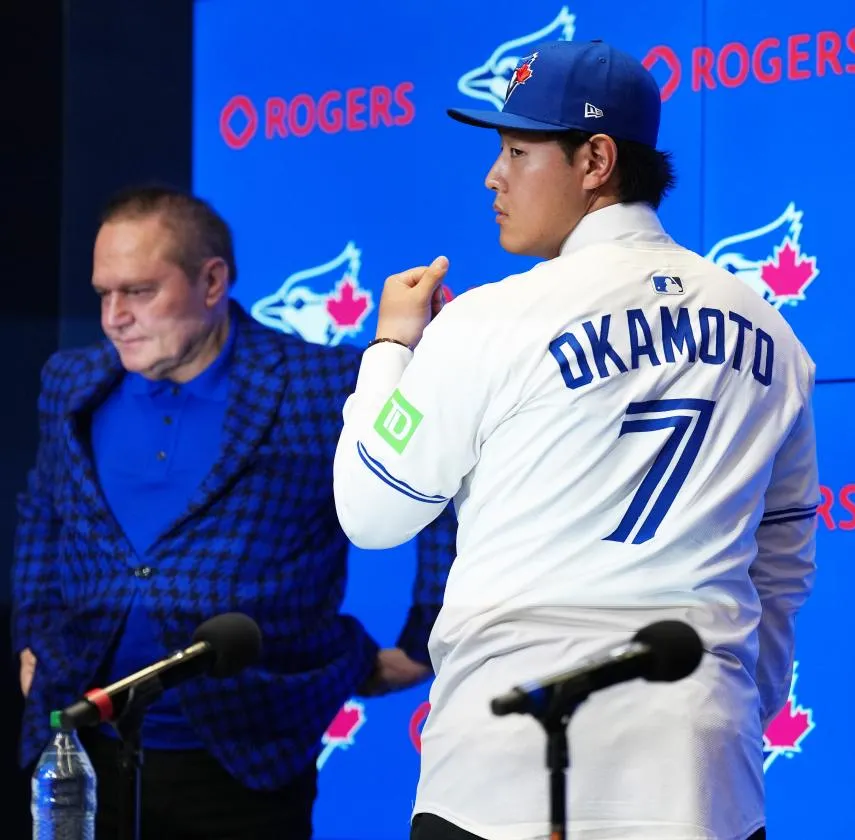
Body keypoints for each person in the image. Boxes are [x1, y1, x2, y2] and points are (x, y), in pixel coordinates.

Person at [332, 39, 819, 840]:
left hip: (504, 764)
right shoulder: (775, 336)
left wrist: (391, 349)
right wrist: (734, 705)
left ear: (595, 159)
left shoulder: (490, 320)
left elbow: (370, 513)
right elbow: (782, 565)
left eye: (518, 150)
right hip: (699, 768)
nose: (494, 175)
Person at [11, 184, 449, 840]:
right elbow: (43, 510)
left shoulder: (322, 384)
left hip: (246, 751)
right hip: (80, 739)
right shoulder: (70, 381)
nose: (113, 317)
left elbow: (435, 493)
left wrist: (426, 635)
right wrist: (33, 629)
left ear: (212, 281)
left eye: (138, 291)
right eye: (104, 293)